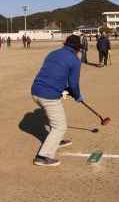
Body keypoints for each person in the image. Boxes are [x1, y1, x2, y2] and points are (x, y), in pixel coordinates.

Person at [31, 35, 83, 167]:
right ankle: (43, 157)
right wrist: (77, 95)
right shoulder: (75, 60)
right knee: (60, 126)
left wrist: (66, 89)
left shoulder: (53, 53)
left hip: (35, 91)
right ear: (77, 48)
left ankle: (57, 140)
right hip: (48, 95)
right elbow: (73, 83)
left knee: (53, 118)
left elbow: (53, 73)